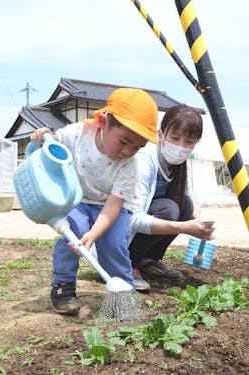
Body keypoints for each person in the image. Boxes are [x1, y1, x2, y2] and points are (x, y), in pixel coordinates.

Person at [30, 88, 158, 315]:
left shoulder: (130, 165)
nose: (128, 151)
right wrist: (42, 137)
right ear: (102, 122)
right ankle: (63, 286)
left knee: (114, 245)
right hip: (76, 199)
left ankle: (123, 296)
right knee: (74, 233)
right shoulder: (77, 134)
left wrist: (95, 234)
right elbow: (51, 145)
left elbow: (113, 207)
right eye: (124, 142)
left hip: (111, 207)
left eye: (137, 147)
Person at [126, 104, 215, 291]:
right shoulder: (144, 160)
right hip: (122, 233)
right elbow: (133, 219)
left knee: (185, 205)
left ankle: (147, 260)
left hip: (152, 217)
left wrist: (200, 224)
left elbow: (189, 197)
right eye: (175, 138)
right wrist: (183, 228)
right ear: (161, 135)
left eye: (189, 142)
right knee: (169, 209)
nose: (181, 146)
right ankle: (126, 264)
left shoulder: (179, 164)